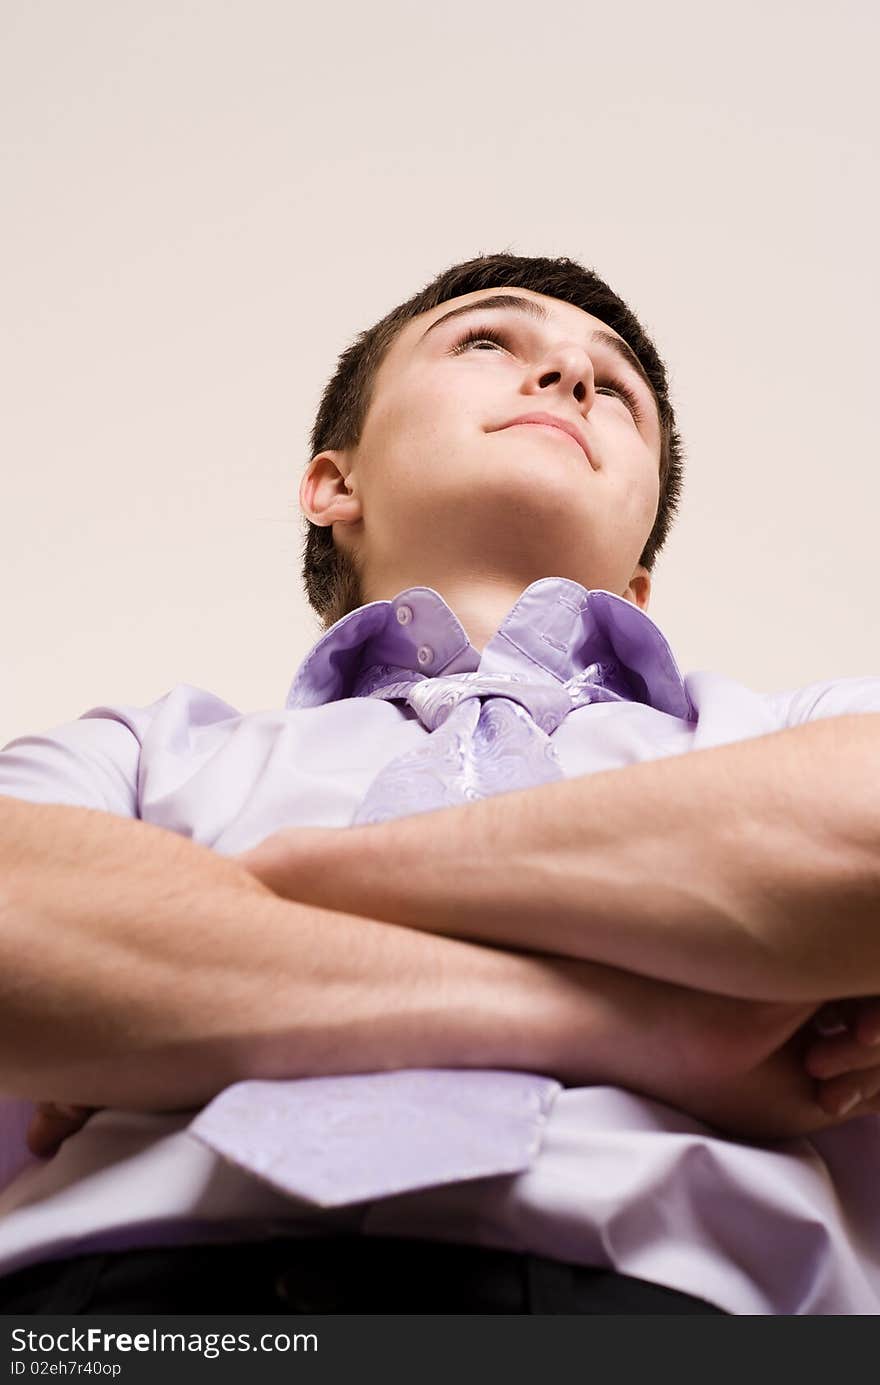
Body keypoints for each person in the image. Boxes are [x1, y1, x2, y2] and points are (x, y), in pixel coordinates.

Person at [1, 251, 880, 1316]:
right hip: (110, 1318)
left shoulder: (782, 729)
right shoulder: (146, 746)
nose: (568, 378)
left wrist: (250, 896)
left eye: (616, 390)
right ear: (335, 483)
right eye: (486, 340)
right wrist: (654, 1021)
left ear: (640, 569)